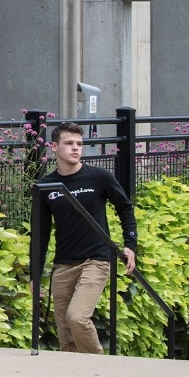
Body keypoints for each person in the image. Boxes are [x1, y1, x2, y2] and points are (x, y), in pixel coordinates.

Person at [35, 122, 138, 354]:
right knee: (65, 334)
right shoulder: (45, 185)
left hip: (96, 260)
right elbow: (41, 233)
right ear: (54, 147)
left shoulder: (99, 177)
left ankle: (99, 368)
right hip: (63, 264)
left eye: (79, 144)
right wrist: (36, 273)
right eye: (69, 143)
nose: (75, 148)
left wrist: (130, 244)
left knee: (77, 318)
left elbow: (125, 208)